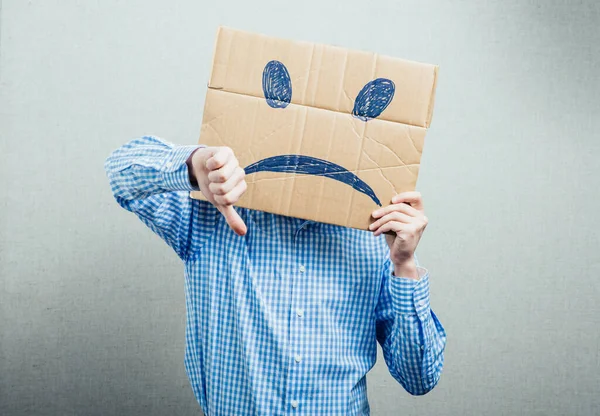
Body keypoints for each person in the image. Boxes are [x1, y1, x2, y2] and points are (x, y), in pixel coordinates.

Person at [105, 136, 447, 416]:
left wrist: (404, 264)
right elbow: (120, 172)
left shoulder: (375, 237)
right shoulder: (210, 214)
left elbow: (420, 378)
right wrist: (195, 164)